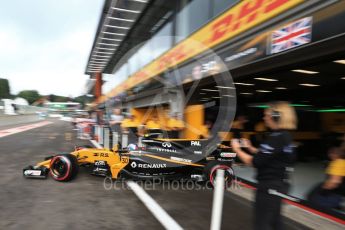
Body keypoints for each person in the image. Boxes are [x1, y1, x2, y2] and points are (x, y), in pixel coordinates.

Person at [231, 102, 297, 230]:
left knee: (262, 224)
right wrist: (250, 147)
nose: (264, 118)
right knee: (275, 221)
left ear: (276, 116)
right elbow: (272, 156)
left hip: (269, 186)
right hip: (279, 184)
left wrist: (237, 150)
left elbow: (255, 162)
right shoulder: (285, 136)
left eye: (266, 115)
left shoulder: (276, 138)